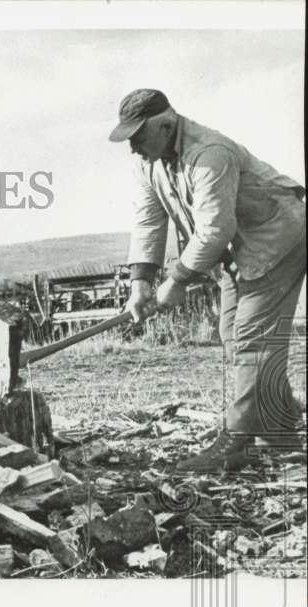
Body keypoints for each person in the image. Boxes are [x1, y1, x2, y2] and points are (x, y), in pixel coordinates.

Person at [110, 88, 306, 472]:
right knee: (232, 333)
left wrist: (177, 280)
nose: (133, 148)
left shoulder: (209, 153)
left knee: (252, 337)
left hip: (277, 238)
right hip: (239, 252)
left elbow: (215, 230)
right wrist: (140, 284)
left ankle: (236, 445)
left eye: (138, 137)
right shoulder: (151, 161)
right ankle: (280, 429)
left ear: (166, 126)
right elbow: (149, 220)